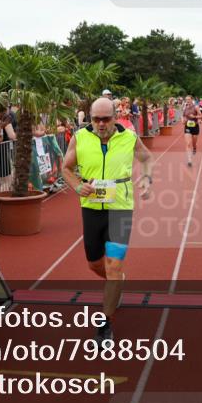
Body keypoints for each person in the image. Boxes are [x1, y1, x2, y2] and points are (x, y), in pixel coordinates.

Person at [61, 97, 153, 345]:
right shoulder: (80, 138)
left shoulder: (129, 137)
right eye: (96, 119)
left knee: (113, 267)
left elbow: (146, 158)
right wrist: (77, 186)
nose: (101, 124)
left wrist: (146, 179)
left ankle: (105, 323)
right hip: (91, 208)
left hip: (120, 209)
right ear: (89, 118)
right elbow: (66, 168)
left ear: (116, 117)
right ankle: (117, 283)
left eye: (106, 118)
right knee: (94, 264)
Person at [182, 95, 202, 167]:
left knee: (194, 142)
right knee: (188, 143)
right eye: (186, 99)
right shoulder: (185, 108)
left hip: (195, 126)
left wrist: (194, 117)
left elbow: (201, 116)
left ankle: (194, 147)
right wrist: (183, 120)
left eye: (188, 99)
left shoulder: (196, 107)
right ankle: (189, 160)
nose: (187, 101)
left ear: (192, 100)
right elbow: (183, 116)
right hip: (187, 126)